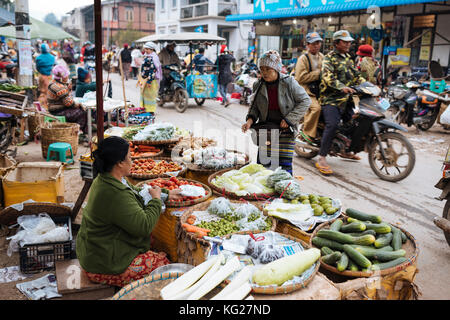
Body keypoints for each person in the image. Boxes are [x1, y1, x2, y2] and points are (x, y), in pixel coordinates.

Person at [76, 136, 183, 287]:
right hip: (102, 263)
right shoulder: (114, 193)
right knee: (163, 265)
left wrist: (165, 193)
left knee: (152, 242)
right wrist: (156, 200)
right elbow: (144, 226)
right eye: (130, 158)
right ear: (119, 163)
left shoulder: (106, 179)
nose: (132, 161)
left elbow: (137, 191)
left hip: (95, 251)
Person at [241, 50, 311, 175]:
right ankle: (264, 194)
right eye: (262, 69)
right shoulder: (258, 85)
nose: (264, 73)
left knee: (284, 169)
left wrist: (290, 119)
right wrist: (249, 121)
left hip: (285, 131)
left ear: (276, 68)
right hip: (266, 131)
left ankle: (284, 192)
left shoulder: (289, 82)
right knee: (263, 168)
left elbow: (305, 101)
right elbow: (254, 106)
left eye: (268, 69)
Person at [316, 30, 366, 175]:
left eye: (349, 42)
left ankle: (345, 150)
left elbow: (357, 76)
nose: (348, 44)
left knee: (354, 122)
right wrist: (341, 87)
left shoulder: (348, 58)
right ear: (336, 43)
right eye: (345, 42)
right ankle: (322, 157)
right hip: (331, 99)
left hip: (347, 99)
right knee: (332, 125)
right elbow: (327, 77)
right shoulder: (329, 58)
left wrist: (368, 85)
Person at [295, 32, 325, 144]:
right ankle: (306, 134)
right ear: (308, 45)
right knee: (316, 108)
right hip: (306, 91)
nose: (316, 45)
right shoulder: (303, 59)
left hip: (321, 91)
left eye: (318, 43)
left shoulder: (322, 57)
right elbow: (300, 77)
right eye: (313, 43)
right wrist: (318, 74)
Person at [47, 65, 88, 137]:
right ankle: (78, 132)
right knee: (82, 112)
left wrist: (68, 89)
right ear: (62, 77)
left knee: (80, 109)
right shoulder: (59, 87)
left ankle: (80, 130)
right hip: (57, 111)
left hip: (57, 109)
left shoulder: (54, 83)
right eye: (66, 75)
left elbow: (67, 98)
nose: (68, 77)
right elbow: (69, 103)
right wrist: (79, 104)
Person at [139, 42, 162, 115]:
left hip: (151, 80)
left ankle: (151, 110)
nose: (145, 50)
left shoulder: (153, 57)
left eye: (147, 49)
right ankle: (145, 109)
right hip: (144, 79)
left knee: (150, 96)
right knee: (145, 95)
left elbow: (153, 70)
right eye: (145, 48)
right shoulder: (147, 56)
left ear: (152, 49)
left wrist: (149, 81)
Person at [35, 43, 56, 110]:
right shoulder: (52, 57)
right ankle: (46, 108)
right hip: (49, 76)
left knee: (42, 92)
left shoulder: (38, 58)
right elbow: (54, 66)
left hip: (41, 76)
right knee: (48, 93)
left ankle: (39, 107)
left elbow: (37, 68)